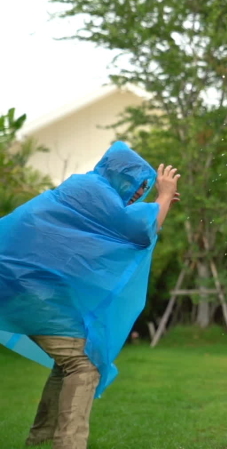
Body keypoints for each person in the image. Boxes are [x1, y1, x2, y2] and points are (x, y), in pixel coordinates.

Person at [0, 141, 180, 449]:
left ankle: (40, 440)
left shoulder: (93, 195)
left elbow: (128, 235)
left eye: (143, 190)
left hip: (24, 288)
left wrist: (159, 205)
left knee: (71, 361)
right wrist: (162, 197)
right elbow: (138, 231)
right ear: (117, 172)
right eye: (135, 184)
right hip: (22, 287)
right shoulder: (91, 189)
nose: (138, 193)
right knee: (83, 367)